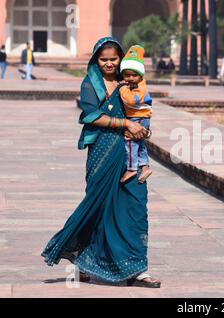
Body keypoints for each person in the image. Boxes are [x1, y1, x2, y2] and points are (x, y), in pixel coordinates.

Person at [41, 37, 161, 288]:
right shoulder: (90, 84)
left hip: (131, 151)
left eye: (113, 59)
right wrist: (125, 123)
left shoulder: (130, 81)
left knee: (135, 208)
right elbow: (91, 114)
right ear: (96, 59)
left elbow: (143, 112)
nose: (108, 63)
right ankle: (84, 262)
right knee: (98, 207)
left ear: (121, 59)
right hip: (103, 152)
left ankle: (138, 268)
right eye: (103, 59)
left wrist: (142, 130)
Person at [118, 45, 153, 184]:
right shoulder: (136, 84)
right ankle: (145, 167)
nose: (131, 78)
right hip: (142, 116)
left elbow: (131, 100)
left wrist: (121, 88)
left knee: (131, 141)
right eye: (127, 75)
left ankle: (132, 168)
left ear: (141, 75)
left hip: (138, 117)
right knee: (139, 142)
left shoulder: (139, 87)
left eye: (134, 75)